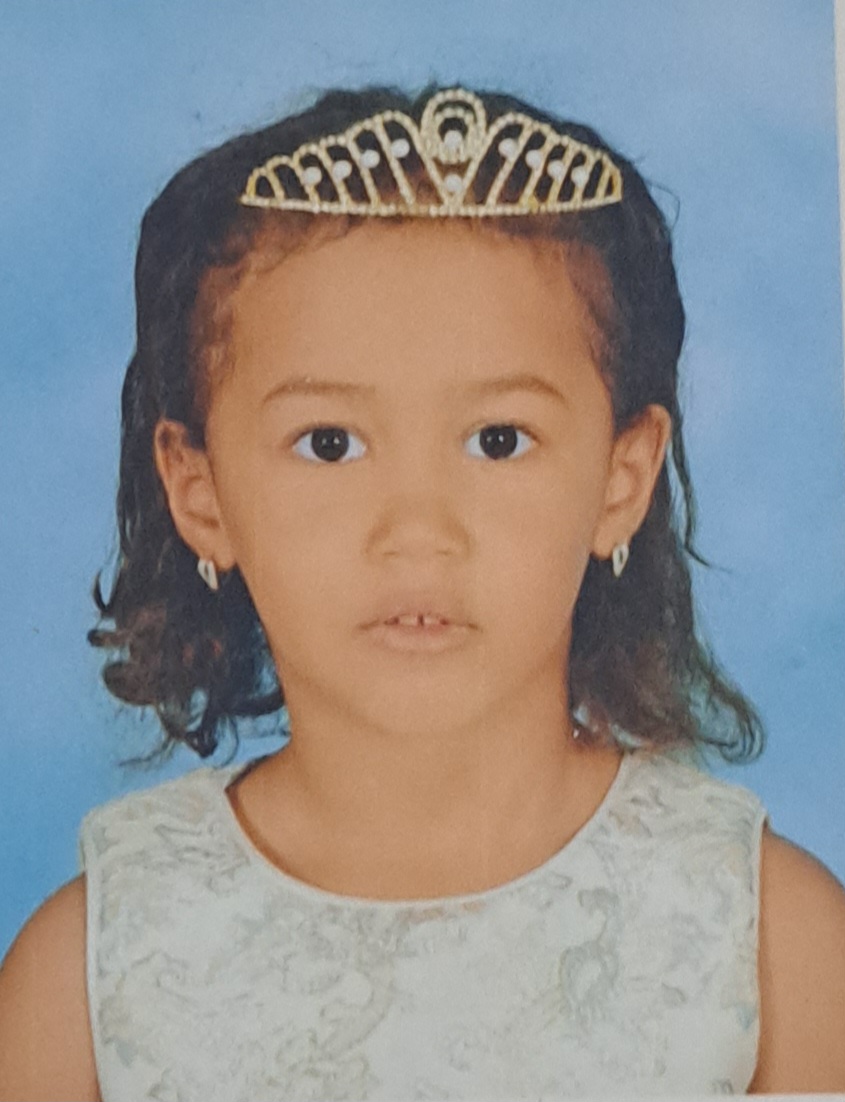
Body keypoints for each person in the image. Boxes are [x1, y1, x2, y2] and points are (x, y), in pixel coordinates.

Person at [1, 84, 843, 1101]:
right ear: (200, 491)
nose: (416, 529)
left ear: (621, 480)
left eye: (498, 440)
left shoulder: (772, 947)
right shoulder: (85, 982)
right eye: (328, 443)